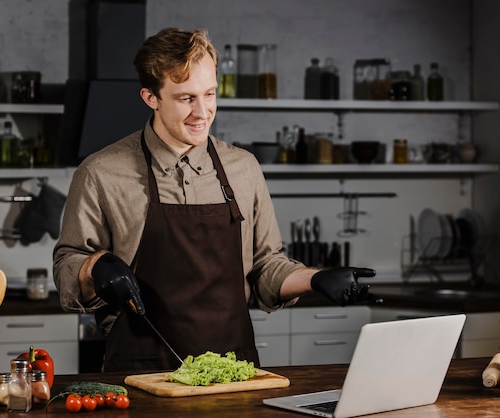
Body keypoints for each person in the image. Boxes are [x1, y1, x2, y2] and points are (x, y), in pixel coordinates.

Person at [53, 27, 380, 373]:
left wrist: (316, 279)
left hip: (233, 372)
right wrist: (94, 268)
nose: (202, 112)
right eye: (186, 98)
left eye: (209, 94)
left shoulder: (243, 168)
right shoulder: (102, 172)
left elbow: (265, 266)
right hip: (141, 372)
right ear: (151, 98)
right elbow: (67, 268)